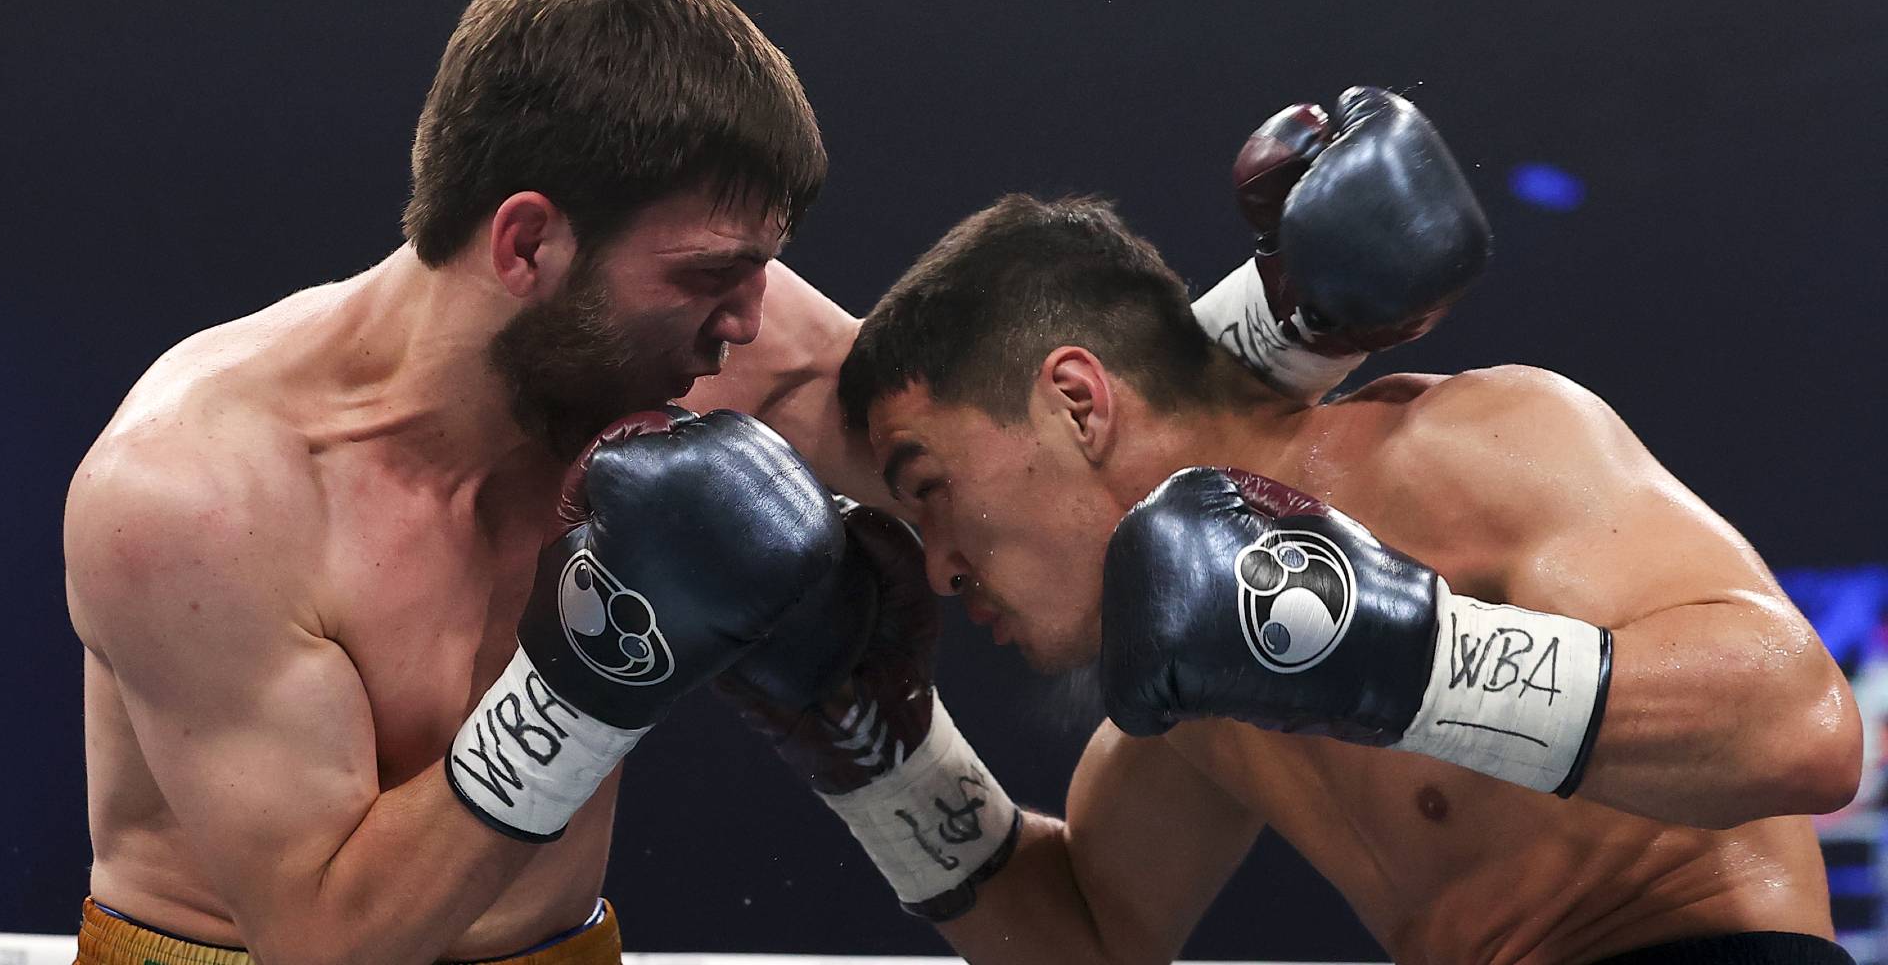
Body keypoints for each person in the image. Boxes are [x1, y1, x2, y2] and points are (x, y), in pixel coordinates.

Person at [721, 185, 1865, 963]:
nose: (936, 564)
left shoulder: (1462, 447)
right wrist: (886, 759)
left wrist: (1400, 654)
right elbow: (1089, 941)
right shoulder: (1190, 689)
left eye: (927, 484)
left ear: (1077, 401)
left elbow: (1803, 730)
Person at [60, 0, 880, 964]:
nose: (751, 324)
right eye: (712, 275)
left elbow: (992, 438)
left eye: (760, 267)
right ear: (527, 244)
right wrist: (588, 684)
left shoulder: (684, 329)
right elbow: (326, 945)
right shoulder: (199, 495)